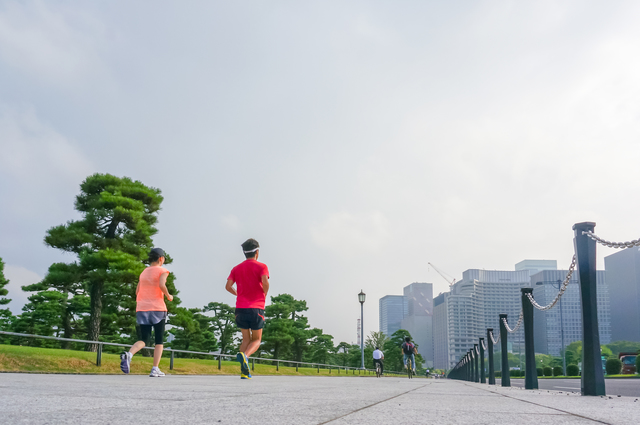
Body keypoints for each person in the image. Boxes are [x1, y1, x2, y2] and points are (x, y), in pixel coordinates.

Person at [120, 248, 174, 377]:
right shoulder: (163, 271)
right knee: (159, 341)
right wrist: (168, 295)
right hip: (157, 308)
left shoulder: (143, 272)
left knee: (144, 339)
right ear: (161, 258)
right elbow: (161, 285)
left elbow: (137, 291)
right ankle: (155, 368)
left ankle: (129, 354)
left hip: (142, 308)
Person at [225, 238, 270, 380]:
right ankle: (245, 356)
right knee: (256, 340)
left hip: (240, 309)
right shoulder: (262, 266)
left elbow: (228, 286)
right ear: (257, 252)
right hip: (256, 308)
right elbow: (265, 282)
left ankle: (244, 371)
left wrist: (238, 294)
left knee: (245, 339)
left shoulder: (236, 268)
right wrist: (264, 293)